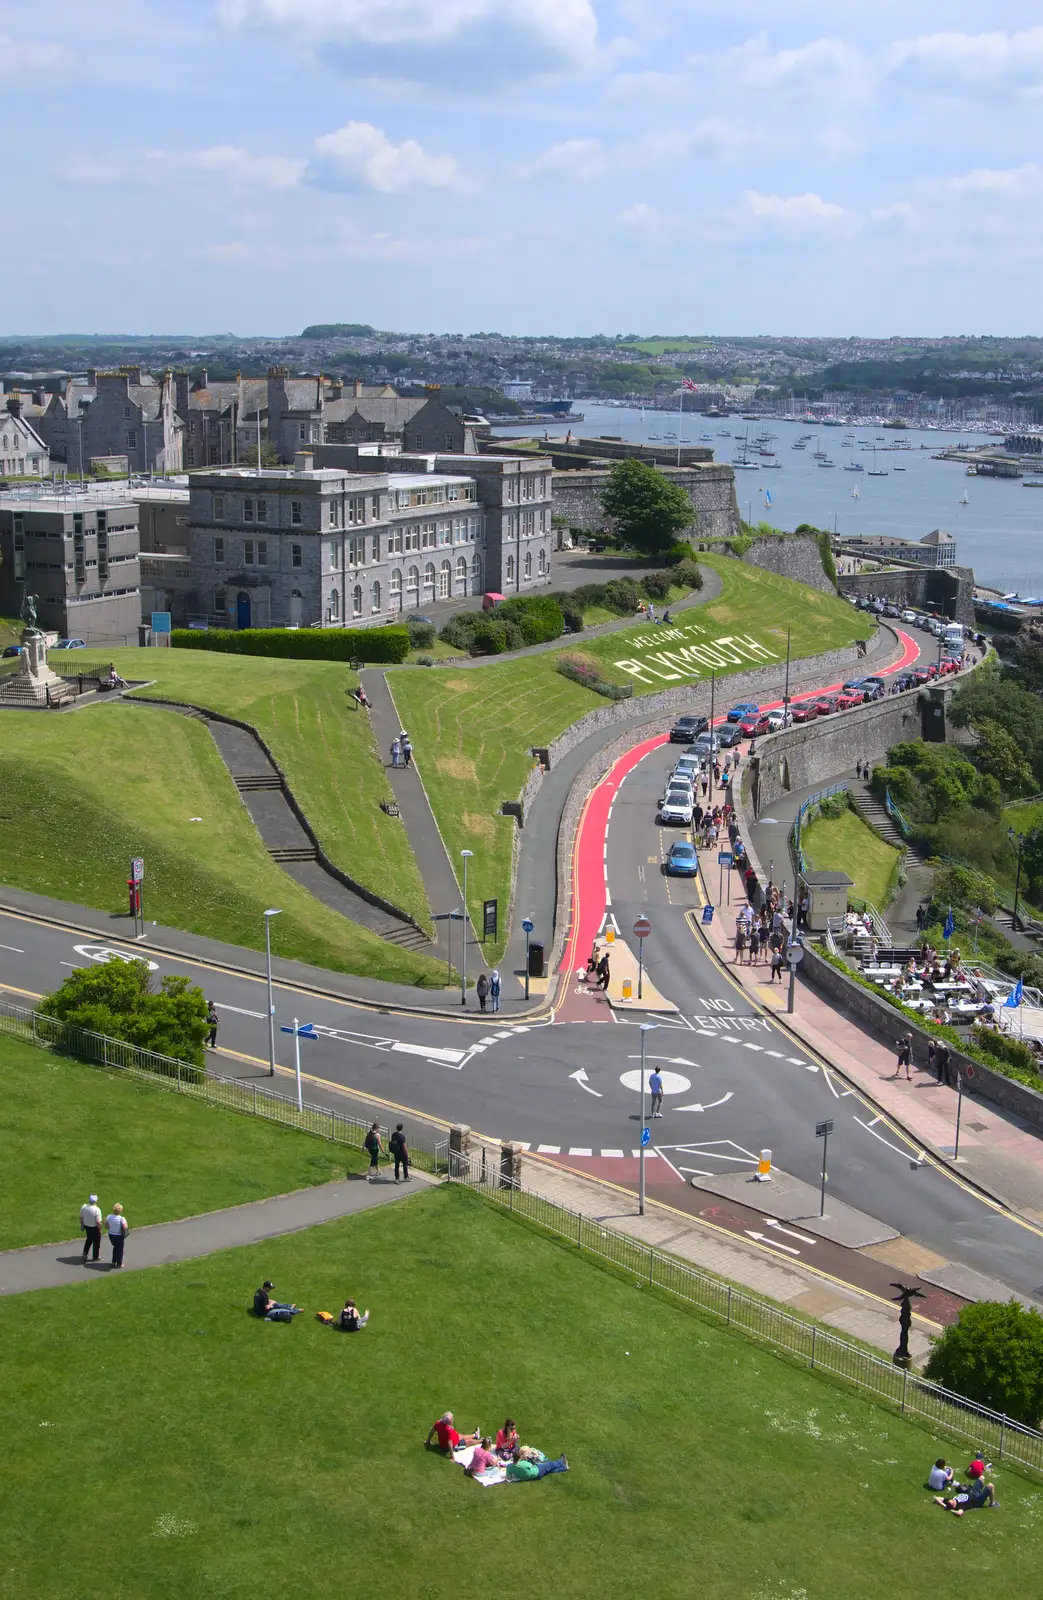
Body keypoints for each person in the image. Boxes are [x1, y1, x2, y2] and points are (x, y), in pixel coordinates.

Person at [80, 1193, 102, 1264]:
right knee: (96, 1242)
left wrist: (82, 1225)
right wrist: (100, 1229)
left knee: (89, 1239)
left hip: (87, 1226)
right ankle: (95, 1256)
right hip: (94, 1227)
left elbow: (81, 1217)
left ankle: (85, 1253)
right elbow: (98, 1222)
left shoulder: (84, 1206)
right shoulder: (97, 1210)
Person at [106, 1202, 129, 1269]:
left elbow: (106, 1226)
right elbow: (125, 1228)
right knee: (120, 1250)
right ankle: (119, 1264)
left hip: (111, 1235)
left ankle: (114, 1261)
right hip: (119, 1236)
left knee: (115, 1248)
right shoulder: (122, 1219)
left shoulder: (109, 1216)